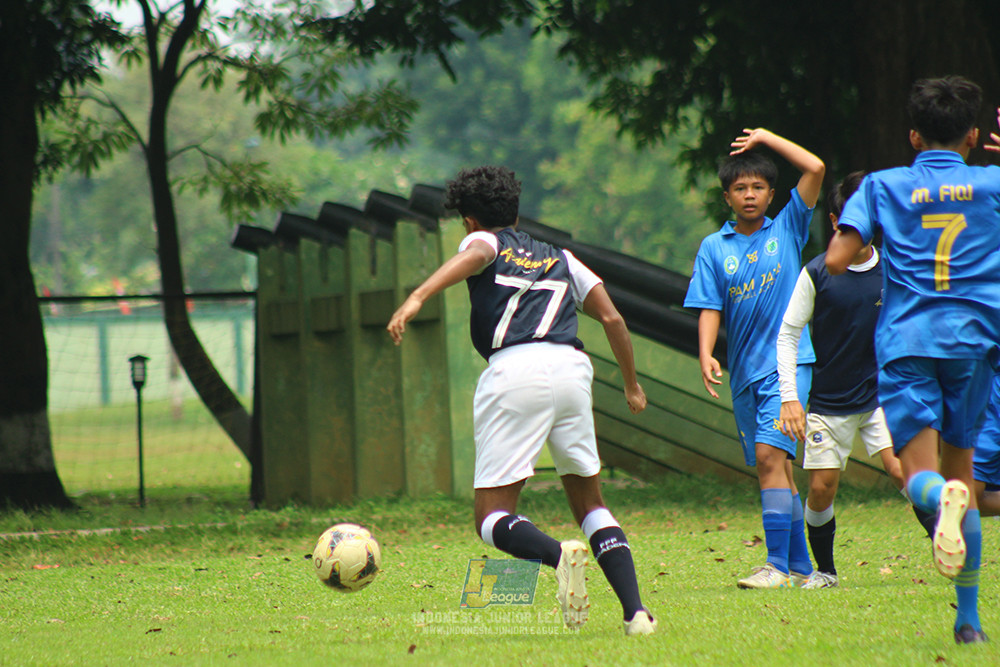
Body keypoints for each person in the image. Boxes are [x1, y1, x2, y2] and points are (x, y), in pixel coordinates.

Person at [386, 165, 656, 636]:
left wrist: (416, 297)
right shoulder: (563, 258)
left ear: (469, 221)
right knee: (591, 503)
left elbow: (473, 256)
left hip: (515, 372)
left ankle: (558, 558)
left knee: (492, 516)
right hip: (572, 371)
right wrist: (632, 385)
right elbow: (612, 320)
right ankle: (636, 613)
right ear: (515, 208)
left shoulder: (487, 242)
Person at [827, 77, 1000, 644]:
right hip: (975, 340)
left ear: (912, 135)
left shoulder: (882, 185)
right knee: (964, 474)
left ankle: (940, 502)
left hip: (908, 341)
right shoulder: (993, 184)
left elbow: (835, 260)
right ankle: (969, 621)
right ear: (974, 136)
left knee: (924, 478)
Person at [776, 172, 936, 590]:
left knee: (903, 471)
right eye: (851, 220)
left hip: (884, 395)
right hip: (830, 402)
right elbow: (788, 333)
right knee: (823, 489)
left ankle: (945, 542)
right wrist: (790, 398)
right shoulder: (816, 274)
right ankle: (826, 572)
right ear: (834, 222)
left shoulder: (896, 268)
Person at [684, 128, 825, 588]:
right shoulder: (714, 248)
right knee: (777, 466)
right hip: (744, 374)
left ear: (772, 194)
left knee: (769, 456)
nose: (749, 195)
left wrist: (766, 137)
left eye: (758, 187)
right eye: (740, 188)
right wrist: (706, 352)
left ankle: (775, 567)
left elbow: (816, 168)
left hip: (789, 365)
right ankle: (805, 568)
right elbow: (710, 306)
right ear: (727, 196)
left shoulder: (788, 227)